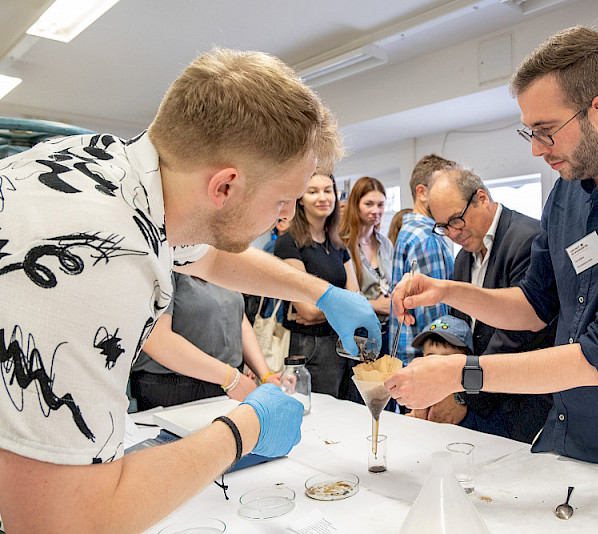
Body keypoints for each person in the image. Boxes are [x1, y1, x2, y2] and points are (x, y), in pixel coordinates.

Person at [0, 48, 380, 533]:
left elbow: (213, 255)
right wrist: (244, 429)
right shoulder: (96, 260)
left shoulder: (111, 168)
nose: (285, 217)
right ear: (224, 188)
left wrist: (322, 293)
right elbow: (61, 521)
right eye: (282, 200)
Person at [386, 26, 598, 482]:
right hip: (572, 441)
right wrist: (448, 290)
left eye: (546, 132)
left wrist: (462, 374)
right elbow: (534, 306)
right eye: (529, 132)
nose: (535, 149)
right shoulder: (567, 194)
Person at [426, 165, 555, 443]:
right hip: (479, 401)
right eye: (442, 226)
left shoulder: (528, 239)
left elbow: (518, 334)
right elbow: (460, 331)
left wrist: (463, 394)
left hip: (521, 405)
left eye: (456, 220)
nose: (452, 233)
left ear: (481, 198)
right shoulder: (463, 258)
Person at [130, 271, 281, 411]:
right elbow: (156, 339)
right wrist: (231, 378)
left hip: (226, 384)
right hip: (173, 388)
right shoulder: (167, 264)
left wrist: (265, 375)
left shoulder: (218, 264)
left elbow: (239, 319)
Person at [274, 173, 361, 399]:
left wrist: (325, 308)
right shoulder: (288, 243)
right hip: (309, 348)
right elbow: (307, 312)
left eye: (328, 190)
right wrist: (343, 305)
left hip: (342, 345)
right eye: (313, 191)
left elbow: (357, 300)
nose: (323, 197)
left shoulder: (339, 244)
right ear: (300, 198)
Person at [390, 154, 456, 365]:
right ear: (422, 193)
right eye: (444, 188)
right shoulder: (426, 239)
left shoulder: (409, 231)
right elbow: (435, 322)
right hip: (425, 361)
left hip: (408, 359)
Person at [340, 176, 393, 353]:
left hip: (386, 330)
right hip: (355, 333)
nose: (376, 210)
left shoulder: (385, 244)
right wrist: (375, 305)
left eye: (380, 205)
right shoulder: (342, 244)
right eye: (369, 204)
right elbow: (338, 296)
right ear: (355, 205)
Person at [408, 314, 474, 422]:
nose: (436, 364)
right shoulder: (419, 386)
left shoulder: (470, 396)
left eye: (446, 358)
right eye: (430, 356)